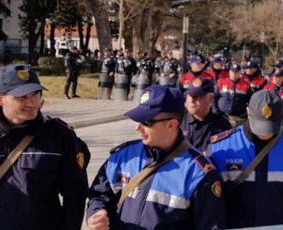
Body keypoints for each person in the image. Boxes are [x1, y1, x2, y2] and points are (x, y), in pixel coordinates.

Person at [86, 85, 226, 229]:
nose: (137, 127)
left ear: (172, 124)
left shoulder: (198, 173)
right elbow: (99, 195)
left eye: (146, 122)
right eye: (138, 120)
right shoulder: (122, 156)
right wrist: (97, 213)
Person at [0, 64, 89, 230]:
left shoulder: (59, 137)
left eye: (36, 95)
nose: (31, 103)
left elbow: (75, 194)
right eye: (22, 97)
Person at [207, 90, 283, 227]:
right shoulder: (220, 149)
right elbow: (208, 205)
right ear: (248, 111)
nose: (265, 133)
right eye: (259, 125)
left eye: (270, 126)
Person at [181, 78, 231, 152]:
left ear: (210, 98)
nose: (191, 100)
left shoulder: (222, 126)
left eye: (197, 96)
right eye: (190, 95)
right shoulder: (178, 124)